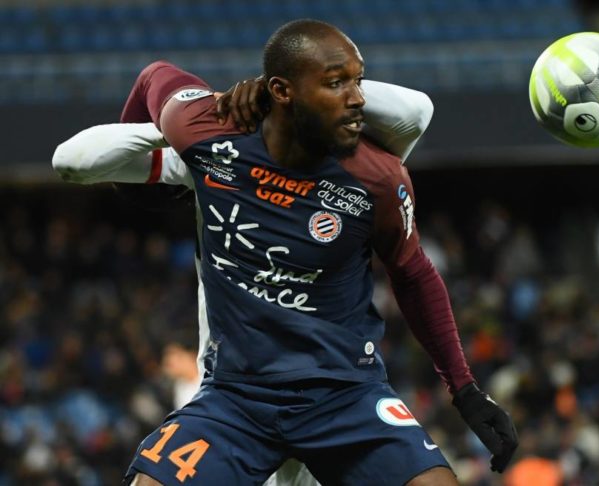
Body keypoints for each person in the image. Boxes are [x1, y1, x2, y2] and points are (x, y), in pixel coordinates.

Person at [56, 19, 518, 485]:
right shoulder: (206, 132)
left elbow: (414, 275)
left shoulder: (377, 179)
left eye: (357, 81)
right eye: (336, 83)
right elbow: (153, 77)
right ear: (282, 91)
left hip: (346, 395)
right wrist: (138, 181)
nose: (358, 98)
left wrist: (465, 390)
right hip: (236, 399)